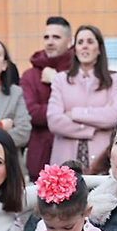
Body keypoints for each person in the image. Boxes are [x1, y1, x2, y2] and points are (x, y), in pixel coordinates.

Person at [47, 25, 117, 170]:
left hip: (102, 162)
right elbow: (54, 121)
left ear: (99, 48)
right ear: (75, 48)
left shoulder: (115, 79)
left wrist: (74, 114)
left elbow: (114, 115)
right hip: (64, 162)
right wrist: (93, 128)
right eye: (80, 42)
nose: (85, 47)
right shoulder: (60, 80)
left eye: (90, 42)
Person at [21, 16, 74, 177]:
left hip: (73, 151)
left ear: (69, 41)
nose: (50, 42)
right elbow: (31, 113)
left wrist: (56, 80)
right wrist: (65, 112)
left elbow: (88, 107)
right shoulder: (30, 76)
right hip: (40, 158)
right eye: (46, 37)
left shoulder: (79, 72)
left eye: (56, 37)